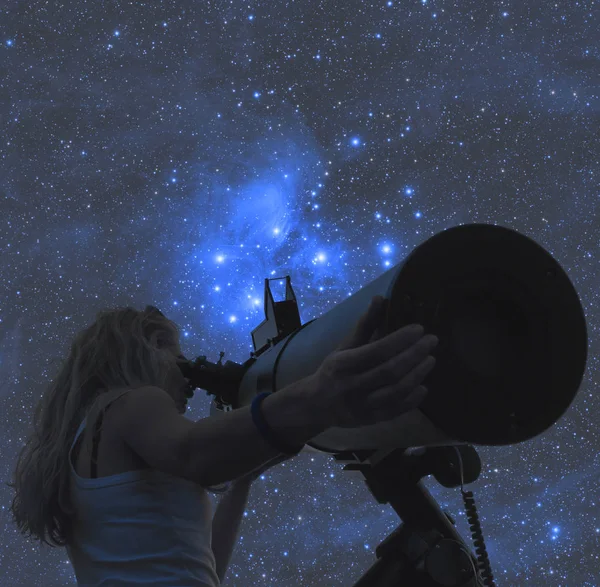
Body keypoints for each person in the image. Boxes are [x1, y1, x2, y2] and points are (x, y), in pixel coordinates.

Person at [7, 297, 437, 586]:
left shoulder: (93, 432)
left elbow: (202, 567)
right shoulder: (132, 401)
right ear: (146, 349)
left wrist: (241, 484)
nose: (188, 378)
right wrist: (317, 398)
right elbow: (195, 454)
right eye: (178, 358)